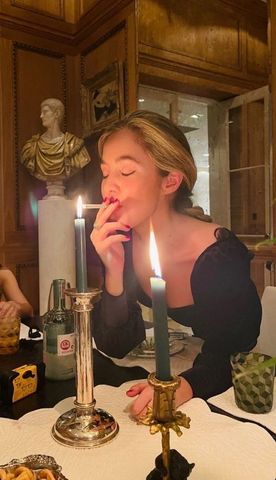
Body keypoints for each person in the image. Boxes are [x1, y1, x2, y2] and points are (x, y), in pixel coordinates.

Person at [90, 110, 262, 418]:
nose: (108, 189)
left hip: (227, 391)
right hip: (167, 370)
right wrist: (113, 271)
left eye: (125, 172)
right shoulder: (123, 244)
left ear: (169, 182)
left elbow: (235, 351)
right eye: (105, 173)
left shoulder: (217, 256)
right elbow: (115, 345)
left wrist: (182, 387)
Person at [21, 98, 91, 182]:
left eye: (45, 112)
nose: (41, 116)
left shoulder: (73, 144)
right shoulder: (32, 147)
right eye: (41, 112)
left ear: (56, 114)